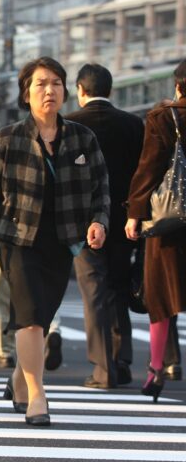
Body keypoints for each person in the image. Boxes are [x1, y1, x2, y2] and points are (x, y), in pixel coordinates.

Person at [0, 56, 110, 427]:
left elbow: (101, 189)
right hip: (16, 239)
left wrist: (98, 221)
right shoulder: (6, 139)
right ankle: (37, 397)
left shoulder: (82, 137)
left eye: (56, 83)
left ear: (65, 91)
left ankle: (19, 381)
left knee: (42, 315)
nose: (49, 90)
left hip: (62, 243)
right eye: (41, 84)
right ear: (26, 93)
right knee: (30, 322)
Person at [64, 63, 144, 389]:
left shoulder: (70, 124)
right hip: (125, 220)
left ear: (80, 90)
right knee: (119, 289)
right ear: (109, 90)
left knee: (93, 292)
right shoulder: (133, 124)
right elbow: (143, 174)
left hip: (83, 222)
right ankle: (122, 361)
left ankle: (102, 368)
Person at [125, 58, 186, 403]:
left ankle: (156, 369)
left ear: (178, 86)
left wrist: (134, 214)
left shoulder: (164, 118)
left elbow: (148, 169)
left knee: (161, 299)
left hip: (169, 222)